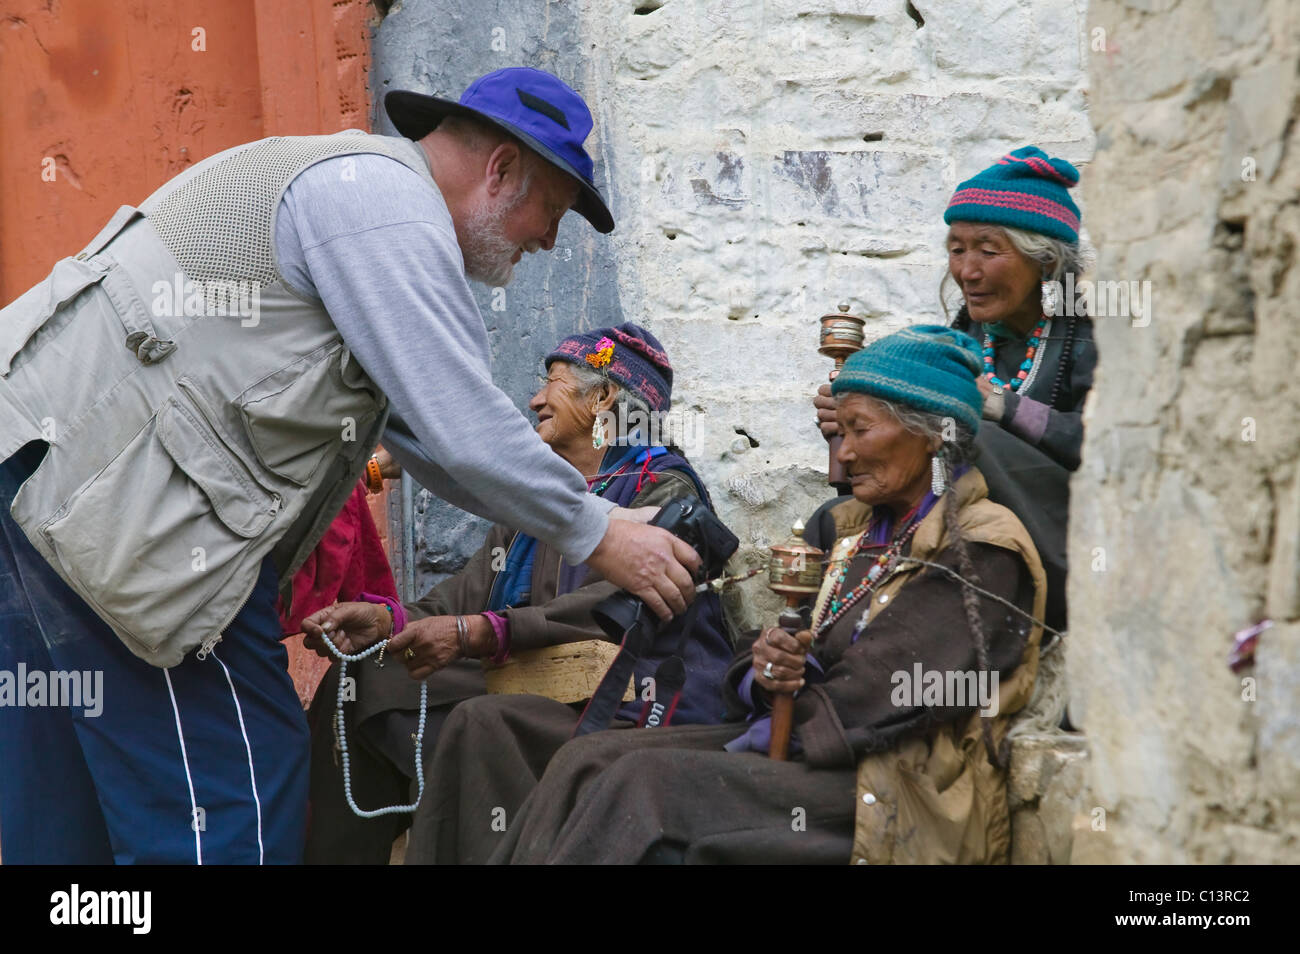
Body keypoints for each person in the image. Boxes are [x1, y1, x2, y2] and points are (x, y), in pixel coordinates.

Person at [0, 67, 700, 864]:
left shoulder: (354, 190)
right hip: (118, 517)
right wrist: (600, 531)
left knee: (58, 801)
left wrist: (588, 514)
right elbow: (460, 423)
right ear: (501, 168)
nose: (548, 241)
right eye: (553, 209)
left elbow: (428, 434)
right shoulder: (385, 207)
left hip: (41, 480)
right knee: (235, 787)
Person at [467, 326, 1047, 864]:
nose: (841, 455)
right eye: (838, 433)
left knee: (641, 784)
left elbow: (880, 691)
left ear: (929, 433)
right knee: (584, 760)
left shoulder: (981, 547)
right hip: (805, 733)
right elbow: (766, 645)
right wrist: (763, 669)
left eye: (860, 431)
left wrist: (765, 717)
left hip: (889, 777)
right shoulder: (848, 529)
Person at [300, 324, 734, 864]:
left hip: (618, 693)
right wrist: (386, 623)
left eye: (550, 382)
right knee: (361, 678)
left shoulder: (667, 490)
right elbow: (462, 596)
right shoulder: (542, 495)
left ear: (603, 398)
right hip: (524, 668)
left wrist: (483, 632)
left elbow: (612, 608)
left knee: (481, 724)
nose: (534, 399)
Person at [816, 146, 1095, 632]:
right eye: (957, 248)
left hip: (1062, 531)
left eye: (988, 250)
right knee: (830, 521)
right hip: (953, 513)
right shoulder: (970, 335)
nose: (967, 270)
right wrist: (857, 430)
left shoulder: (1090, 333)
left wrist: (999, 407)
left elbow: (1105, 448)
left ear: (1046, 262)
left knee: (965, 433)